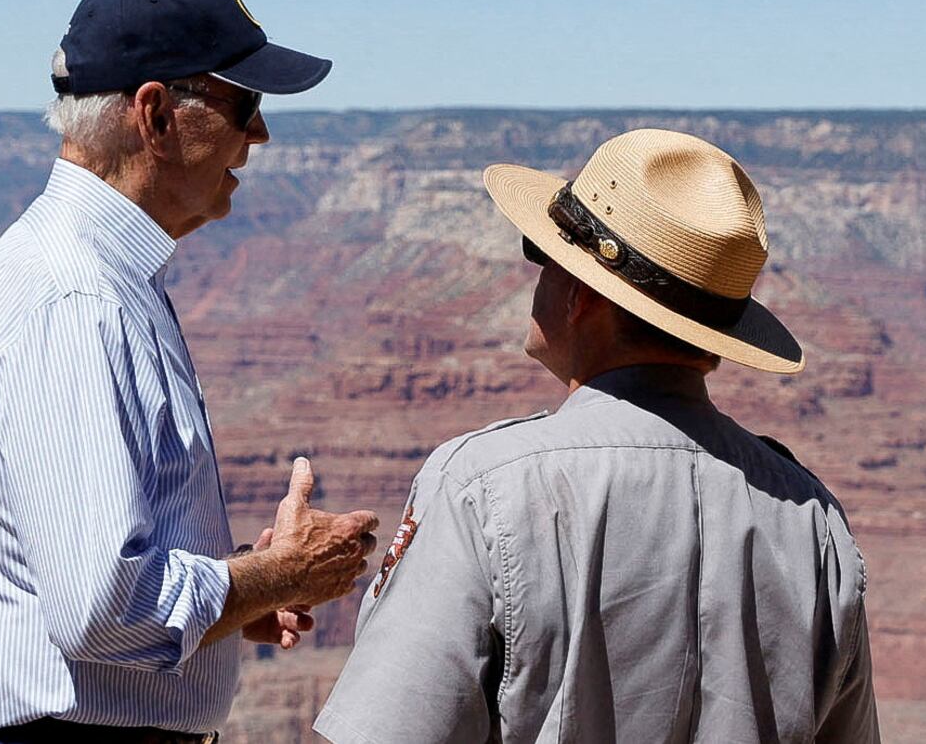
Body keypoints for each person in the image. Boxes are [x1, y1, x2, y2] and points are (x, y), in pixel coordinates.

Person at [0, 0, 379, 744]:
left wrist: (234, 595)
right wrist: (275, 576)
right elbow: (100, 606)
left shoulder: (97, 274)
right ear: (156, 115)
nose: (259, 134)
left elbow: (86, 573)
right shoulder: (75, 301)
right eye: (245, 104)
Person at [315, 129, 880, 743]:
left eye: (541, 253)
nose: (534, 274)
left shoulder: (486, 487)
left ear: (582, 296)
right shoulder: (813, 519)